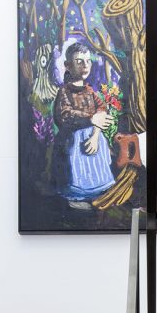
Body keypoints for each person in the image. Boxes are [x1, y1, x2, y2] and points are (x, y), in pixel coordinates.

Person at [53, 42, 116, 209]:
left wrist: (95, 135)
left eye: (88, 61)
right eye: (79, 61)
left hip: (93, 136)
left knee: (96, 162)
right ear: (68, 65)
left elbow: (102, 109)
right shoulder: (64, 92)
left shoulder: (89, 91)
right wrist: (90, 118)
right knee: (77, 165)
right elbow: (65, 115)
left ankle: (98, 193)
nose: (85, 65)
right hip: (73, 138)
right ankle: (75, 197)